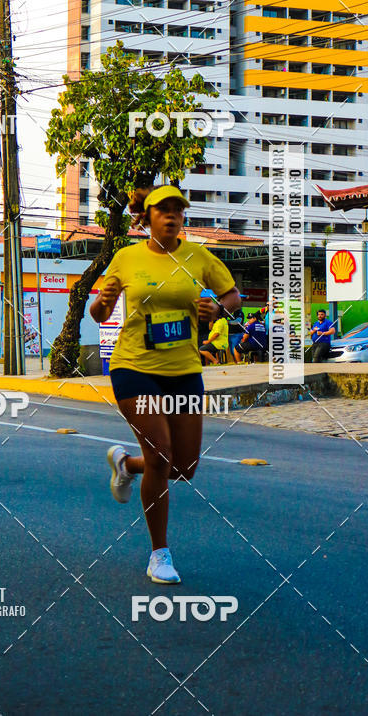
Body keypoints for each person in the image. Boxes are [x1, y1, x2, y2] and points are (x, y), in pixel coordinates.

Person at [90, 186, 241, 584]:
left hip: (183, 369)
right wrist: (102, 303)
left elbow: (232, 296)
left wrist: (218, 308)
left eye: (178, 210)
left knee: (185, 466)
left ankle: (126, 464)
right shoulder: (126, 257)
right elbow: (98, 311)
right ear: (148, 217)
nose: (172, 216)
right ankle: (159, 554)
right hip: (134, 367)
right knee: (161, 455)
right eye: (164, 210)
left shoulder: (199, 257)